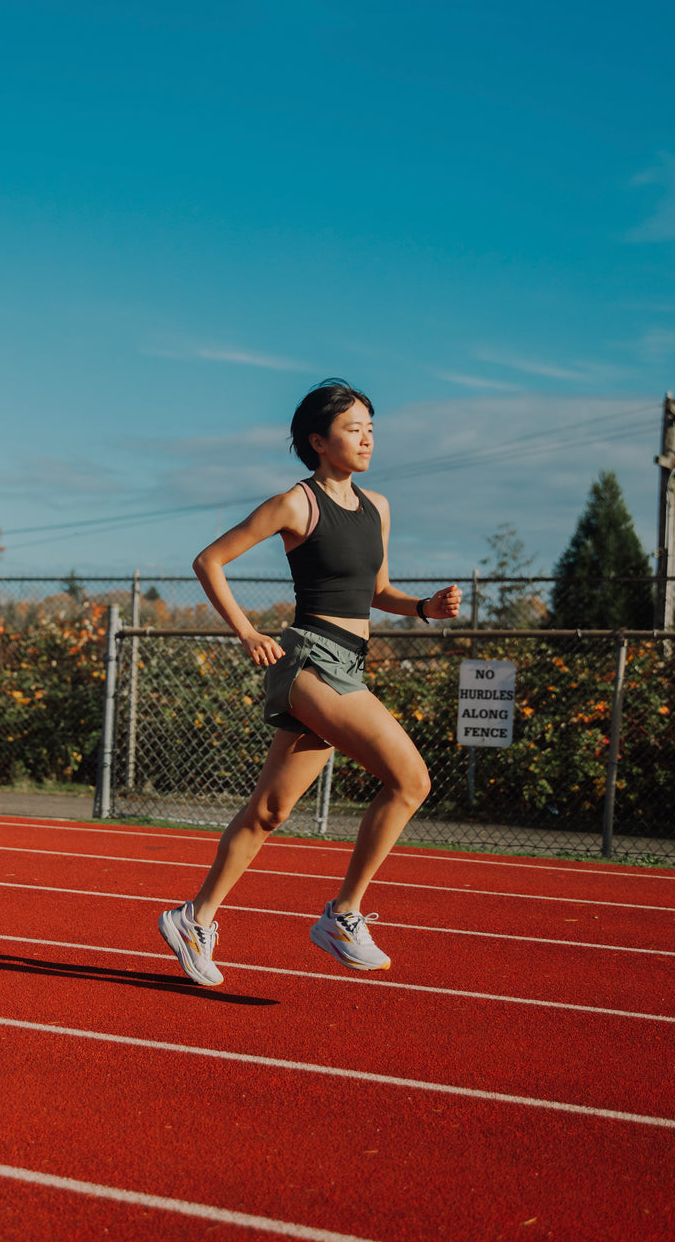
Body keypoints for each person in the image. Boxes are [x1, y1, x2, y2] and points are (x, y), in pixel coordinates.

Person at [158, 379, 461, 987]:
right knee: (411, 779)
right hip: (309, 660)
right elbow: (208, 561)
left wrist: (424, 607)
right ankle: (342, 914)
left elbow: (376, 592)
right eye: (354, 428)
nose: (367, 437)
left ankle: (195, 917)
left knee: (270, 810)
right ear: (318, 441)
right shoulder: (296, 503)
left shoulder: (378, 507)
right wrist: (247, 632)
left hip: (350, 661)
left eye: (371, 427)